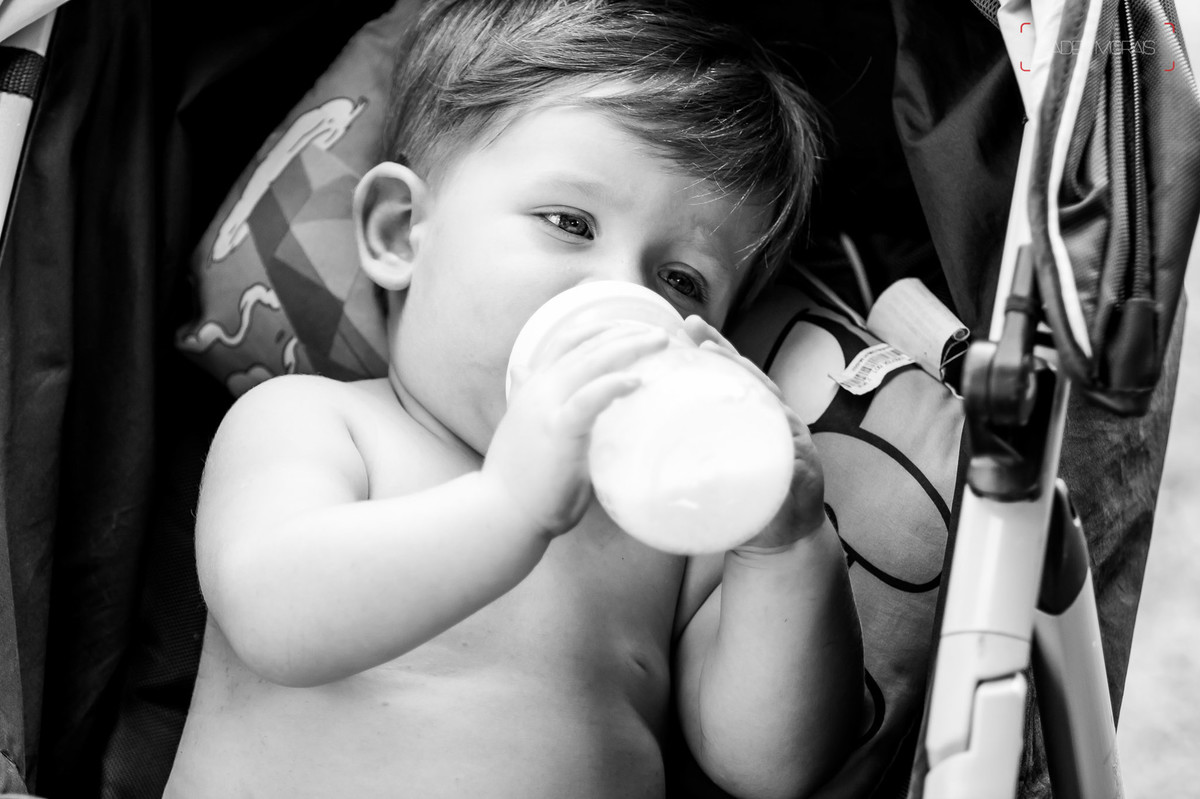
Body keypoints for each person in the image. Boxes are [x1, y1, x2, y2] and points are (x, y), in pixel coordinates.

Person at [165, 1, 866, 796]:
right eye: (569, 221)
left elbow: (771, 765)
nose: (620, 292)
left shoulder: (665, 515)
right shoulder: (315, 422)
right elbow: (274, 616)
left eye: (681, 281)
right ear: (401, 232)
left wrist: (784, 545)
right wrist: (509, 504)